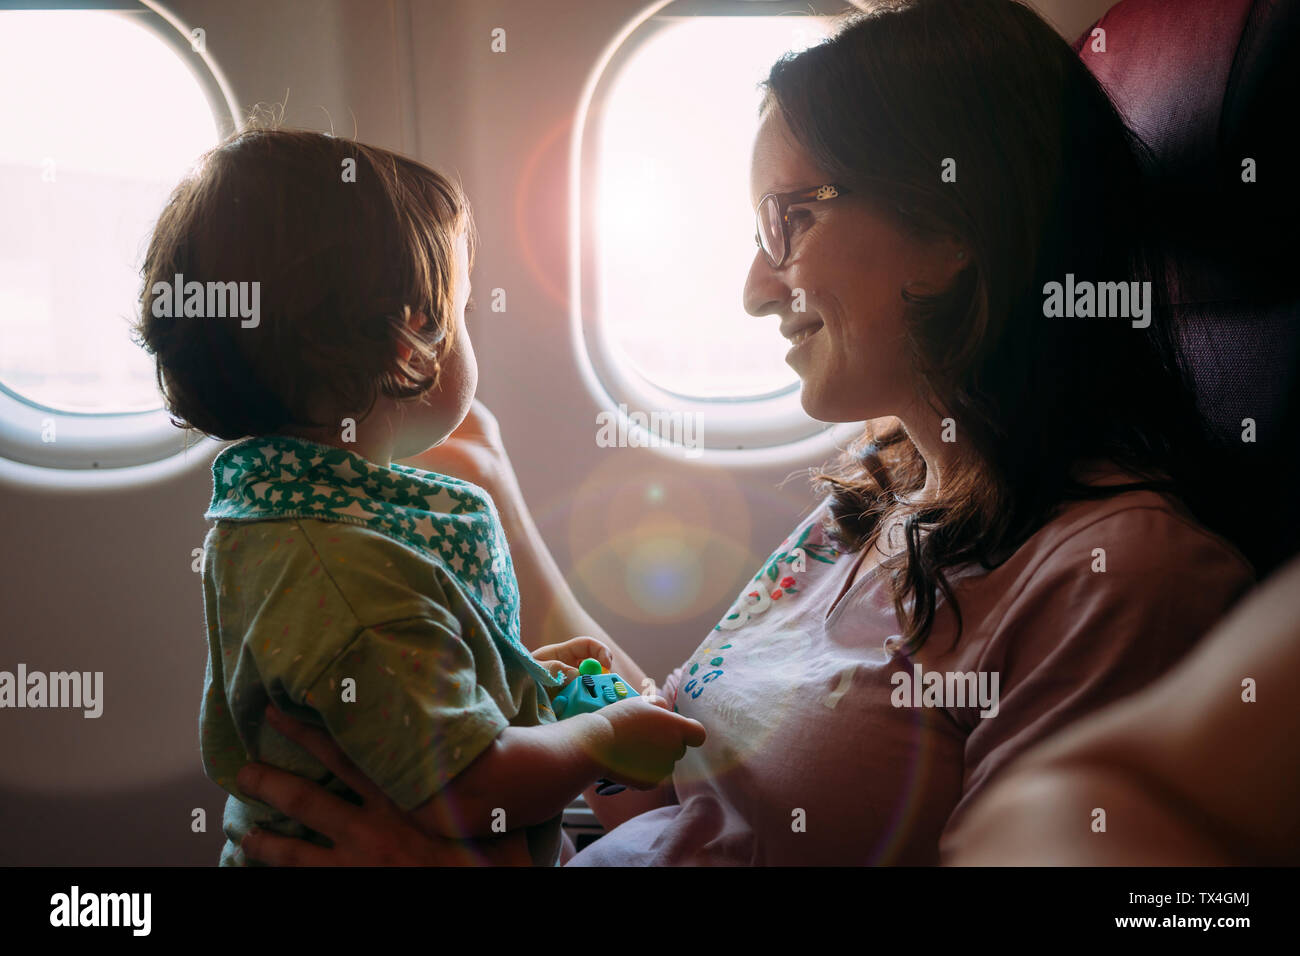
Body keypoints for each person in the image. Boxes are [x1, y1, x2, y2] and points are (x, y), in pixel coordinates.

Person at [233, 0, 1254, 865]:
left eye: (790, 221)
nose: (756, 286)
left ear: (952, 229)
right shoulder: (885, 489)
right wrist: (495, 494)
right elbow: (681, 778)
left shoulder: (1119, 577)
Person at [132, 127, 705, 867]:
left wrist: (515, 681)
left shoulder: (290, 512)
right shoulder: (348, 571)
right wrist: (603, 737)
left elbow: (407, 697)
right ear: (413, 344)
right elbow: (466, 787)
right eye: (460, 310)